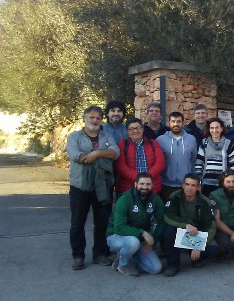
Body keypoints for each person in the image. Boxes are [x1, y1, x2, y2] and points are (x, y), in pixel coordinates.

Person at [66, 105, 119, 270]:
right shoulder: (74, 137)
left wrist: (96, 154)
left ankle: (100, 254)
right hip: (80, 186)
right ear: (85, 118)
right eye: (91, 117)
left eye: (97, 118)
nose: (95, 120)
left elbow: (115, 153)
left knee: (102, 221)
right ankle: (78, 256)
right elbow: (76, 156)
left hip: (102, 186)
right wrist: (101, 153)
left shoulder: (107, 136)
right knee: (77, 223)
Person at [106, 172, 165, 276]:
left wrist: (153, 241)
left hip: (140, 240)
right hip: (116, 236)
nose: (144, 187)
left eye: (148, 184)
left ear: (152, 185)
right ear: (135, 184)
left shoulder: (155, 199)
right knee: (133, 242)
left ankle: (124, 257)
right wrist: (142, 233)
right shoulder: (125, 199)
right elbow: (119, 228)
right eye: (141, 184)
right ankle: (123, 264)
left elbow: (161, 221)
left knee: (156, 269)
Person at [162, 173, 219, 277]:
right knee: (169, 231)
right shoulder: (175, 197)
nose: (189, 188)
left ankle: (195, 258)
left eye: (193, 185)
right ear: (183, 185)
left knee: (213, 250)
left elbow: (211, 226)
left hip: (197, 232)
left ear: (198, 187)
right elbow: (168, 216)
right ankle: (173, 265)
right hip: (180, 230)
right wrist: (185, 225)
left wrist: (199, 245)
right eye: (187, 184)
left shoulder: (205, 202)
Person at [115, 117, 165, 195]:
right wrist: (140, 179)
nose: (135, 131)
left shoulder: (153, 143)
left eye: (138, 128)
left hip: (152, 188)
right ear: (127, 131)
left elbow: (160, 163)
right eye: (131, 129)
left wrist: (147, 178)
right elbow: (121, 167)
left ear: (142, 129)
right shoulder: (122, 145)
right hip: (129, 189)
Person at [156, 111, 198, 202]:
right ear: (169, 123)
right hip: (166, 185)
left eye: (178, 121)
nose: (176, 124)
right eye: (173, 121)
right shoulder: (160, 140)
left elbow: (194, 160)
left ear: (183, 123)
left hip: (186, 184)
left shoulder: (191, 139)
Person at [195, 118, 234, 196]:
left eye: (217, 127)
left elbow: (233, 165)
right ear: (209, 129)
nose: (214, 130)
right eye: (212, 128)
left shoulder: (229, 143)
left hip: (222, 183)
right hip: (206, 184)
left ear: (221, 129)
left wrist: (230, 180)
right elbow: (199, 163)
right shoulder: (204, 143)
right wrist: (198, 182)